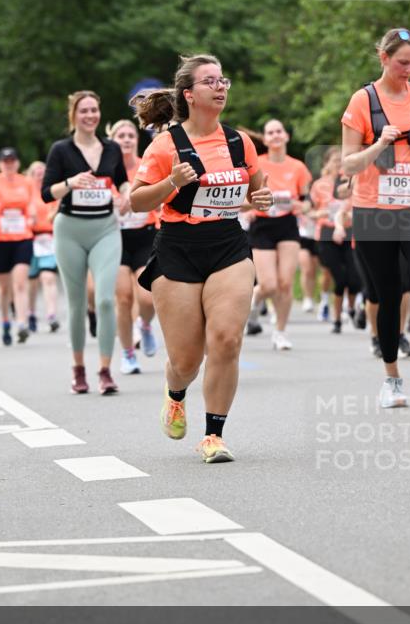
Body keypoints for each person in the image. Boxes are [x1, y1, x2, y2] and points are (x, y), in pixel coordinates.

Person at [130, 54, 273, 464]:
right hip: (178, 248)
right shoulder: (166, 145)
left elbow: (253, 192)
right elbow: (137, 201)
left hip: (228, 244)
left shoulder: (239, 141)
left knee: (227, 340)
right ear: (189, 95)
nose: (220, 87)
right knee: (186, 361)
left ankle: (213, 435)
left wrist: (260, 199)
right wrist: (171, 181)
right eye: (210, 81)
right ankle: (175, 393)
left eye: (223, 80)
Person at [341, 28, 410, 408]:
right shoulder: (363, 101)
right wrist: (379, 144)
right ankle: (392, 379)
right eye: (402, 62)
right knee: (388, 295)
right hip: (374, 210)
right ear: (383, 58)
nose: (409, 70)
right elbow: (348, 164)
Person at [41, 91, 130, 394]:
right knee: (77, 302)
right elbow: (46, 193)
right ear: (74, 115)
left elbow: (122, 180)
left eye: (94, 110)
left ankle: (105, 370)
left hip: (105, 228)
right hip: (70, 230)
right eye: (84, 111)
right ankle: (78, 369)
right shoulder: (61, 150)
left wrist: (127, 194)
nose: (90, 115)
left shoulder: (111, 148)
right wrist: (70, 183)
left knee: (105, 300)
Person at [244, 119, 311, 350]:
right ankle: (254, 303)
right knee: (269, 285)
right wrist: (250, 208)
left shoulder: (298, 167)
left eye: (278, 131)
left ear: (286, 136)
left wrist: (303, 206)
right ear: (265, 139)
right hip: (262, 226)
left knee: (285, 283)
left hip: (287, 225)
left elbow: (307, 201)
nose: (275, 135)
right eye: (270, 132)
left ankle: (280, 332)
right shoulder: (257, 164)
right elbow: (246, 197)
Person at [108, 118, 159, 374]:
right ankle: (128, 354)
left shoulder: (147, 166)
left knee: (148, 297)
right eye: (121, 136)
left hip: (145, 236)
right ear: (112, 141)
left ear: (137, 141)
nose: (126, 140)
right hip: (114, 239)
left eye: (131, 135)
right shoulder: (104, 169)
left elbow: (160, 196)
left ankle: (145, 325)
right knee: (124, 298)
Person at [0, 148, 36, 346]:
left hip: (22, 238)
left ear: (18, 163)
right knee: (4, 287)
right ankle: (5, 321)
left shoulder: (26, 182)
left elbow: (32, 203)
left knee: (20, 282)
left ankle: (21, 323)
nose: (9, 164)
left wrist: (31, 214)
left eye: (12, 161)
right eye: (5, 161)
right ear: (0, 164)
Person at [310, 150, 361, 334]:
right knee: (339, 279)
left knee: (354, 279)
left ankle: (352, 308)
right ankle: (337, 319)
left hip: (350, 231)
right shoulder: (319, 185)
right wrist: (319, 214)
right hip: (327, 233)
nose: (339, 164)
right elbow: (309, 211)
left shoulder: (352, 182)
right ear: (327, 163)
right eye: (335, 161)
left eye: (342, 161)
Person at [26, 160, 59, 334]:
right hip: (29, 239)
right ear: (30, 175)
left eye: (43, 173)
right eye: (37, 173)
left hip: (48, 238)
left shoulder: (51, 190)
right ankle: (31, 312)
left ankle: (51, 315)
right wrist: (28, 219)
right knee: (31, 282)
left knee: (48, 277)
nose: (40, 176)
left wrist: (53, 215)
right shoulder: (25, 191)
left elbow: (56, 211)